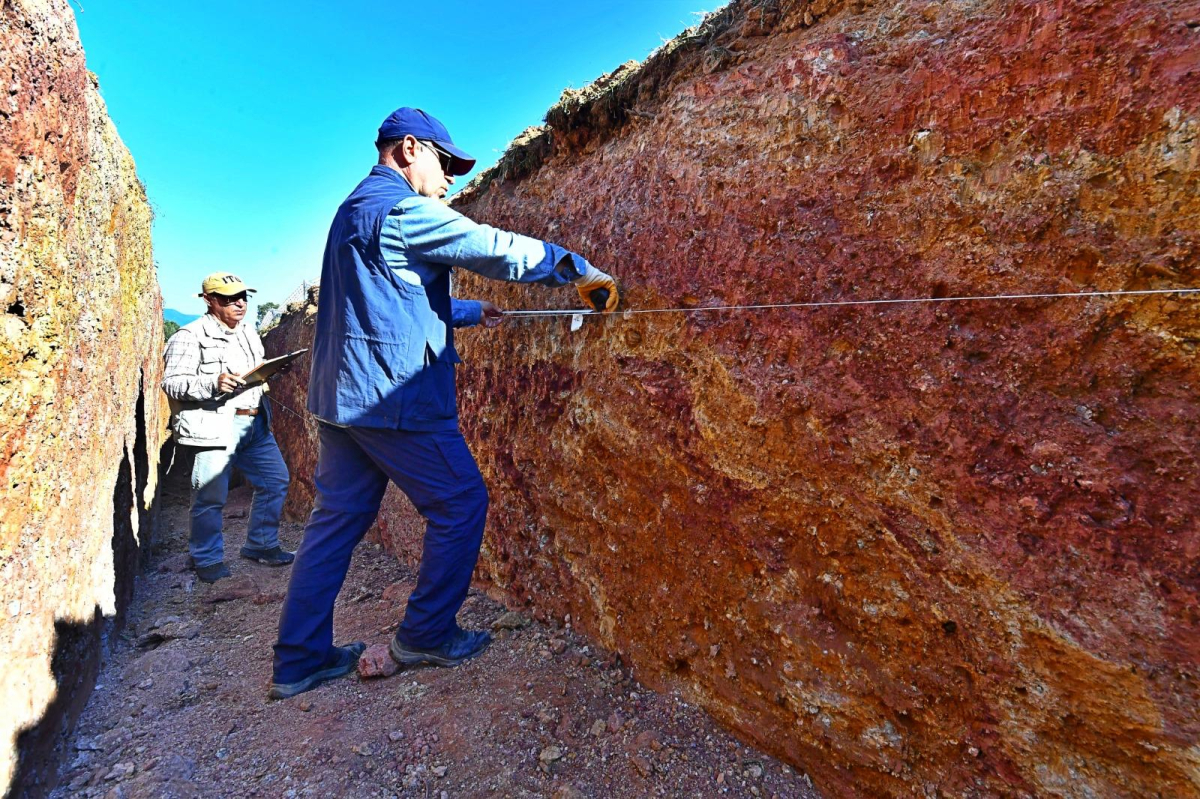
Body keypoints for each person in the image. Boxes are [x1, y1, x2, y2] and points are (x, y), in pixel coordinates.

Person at [268, 107, 618, 699]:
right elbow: (493, 248)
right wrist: (576, 270)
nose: (452, 177)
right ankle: (426, 634)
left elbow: (385, 301)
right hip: (390, 399)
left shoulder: (351, 212)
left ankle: (298, 661)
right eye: (446, 162)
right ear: (409, 149)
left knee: (334, 524)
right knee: (461, 503)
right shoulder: (406, 210)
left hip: (339, 400)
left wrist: (473, 312)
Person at [162, 272, 296, 583]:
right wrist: (214, 382)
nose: (239, 303)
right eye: (228, 298)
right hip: (214, 427)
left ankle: (261, 545)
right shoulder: (189, 336)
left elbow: (252, 375)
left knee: (275, 481)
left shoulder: (248, 332)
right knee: (209, 497)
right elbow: (172, 384)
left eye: (243, 297)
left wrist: (273, 371)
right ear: (208, 301)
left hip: (255, 423)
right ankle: (205, 559)